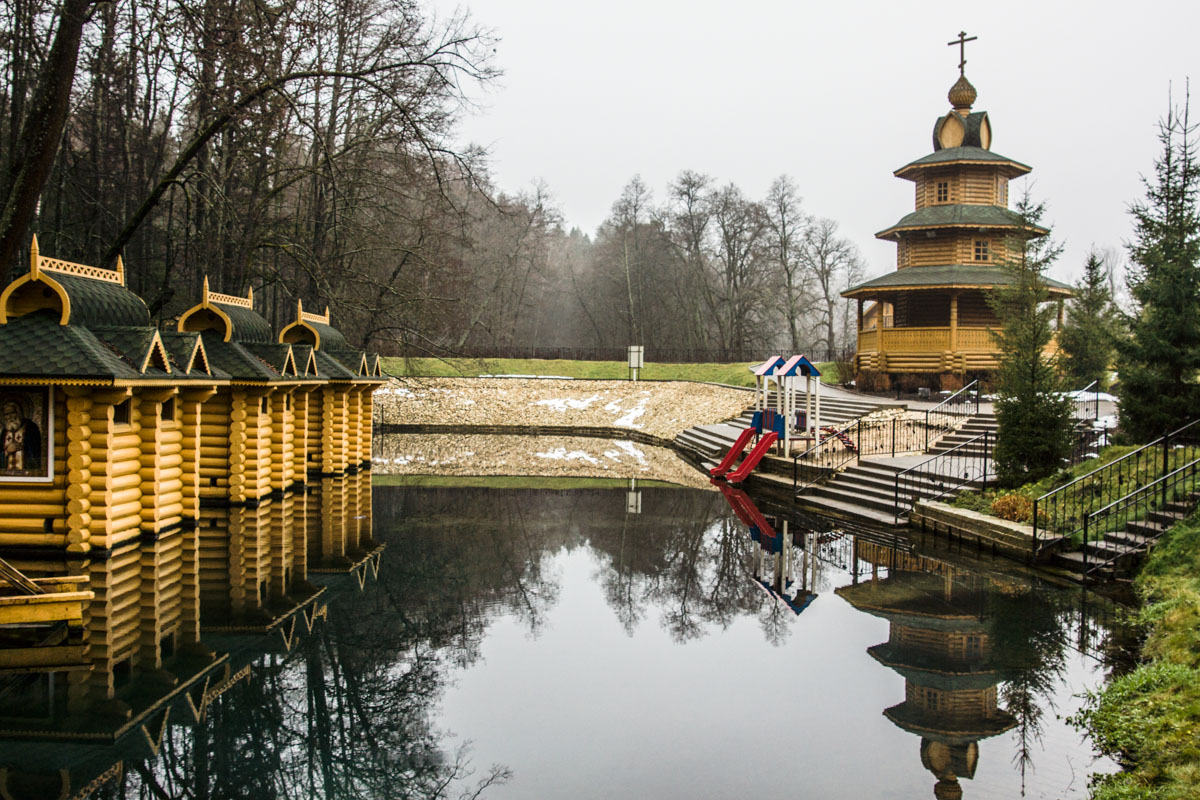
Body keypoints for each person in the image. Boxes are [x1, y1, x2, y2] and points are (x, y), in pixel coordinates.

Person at [1, 398, 42, 474]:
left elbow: (36, 453)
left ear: (18, 412)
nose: (9, 417)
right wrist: (7, 452)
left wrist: (23, 448)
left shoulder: (30, 427)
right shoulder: (4, 432)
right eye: (6, 414)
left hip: (26, 474)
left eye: (12, 413)